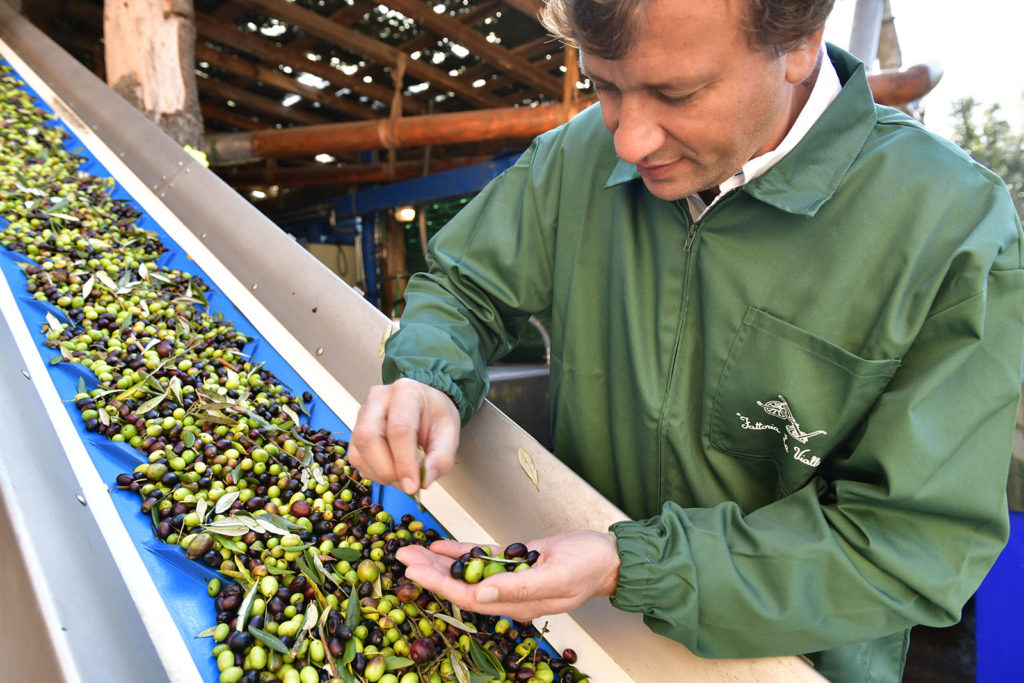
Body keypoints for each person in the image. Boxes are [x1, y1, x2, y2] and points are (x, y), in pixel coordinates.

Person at [348, 0, 1024, 680]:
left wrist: (636, 565)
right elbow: (467, 284)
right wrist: (428, 375)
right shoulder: (576, 157)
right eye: (605, 86)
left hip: (783, 662)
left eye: (678, 93)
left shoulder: (951, 227)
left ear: (800, 43)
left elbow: (912, 545)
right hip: (571, 634)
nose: (628, 141)